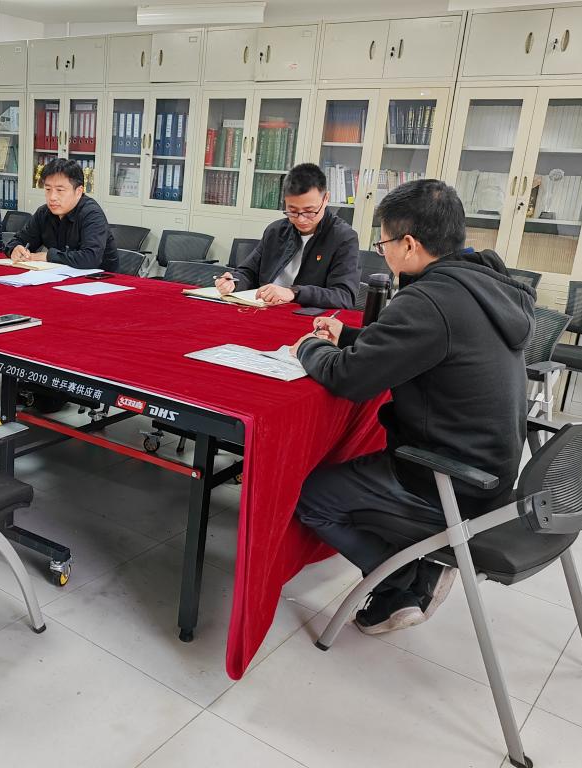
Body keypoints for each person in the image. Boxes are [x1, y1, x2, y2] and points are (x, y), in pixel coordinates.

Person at [291, 178, 535, 635]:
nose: (382, 252)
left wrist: (308, 347)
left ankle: (401, 579)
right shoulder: (482, 284)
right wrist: (348, 336)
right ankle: (416, 562)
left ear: (408, 244)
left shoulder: (428, 300)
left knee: (311, 496)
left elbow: (349, 379)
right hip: (493, 470)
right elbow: (425, 343)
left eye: (383, 243)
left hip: (451, 480)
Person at [214, 163, 358, 309]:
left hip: (306, 316)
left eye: (309, 211)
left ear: (326, 198)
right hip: (263, 309)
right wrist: (234, 281)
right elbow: (249, 272)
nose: (301, 219)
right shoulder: (275, 231)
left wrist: (294, 293)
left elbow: (344, 296)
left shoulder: (343, 238)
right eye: (293, 211)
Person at [5, 158, 118, 271]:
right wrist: (15, 249)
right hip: (59, 275)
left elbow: (90, 258)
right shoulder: (44, 213)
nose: (52, 197)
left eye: (59, 190)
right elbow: (17, 241)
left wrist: (48, 256)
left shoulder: (92, 214)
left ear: (78, 191)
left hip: (99, 278)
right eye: (48, 189)